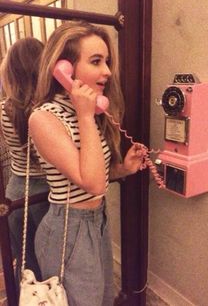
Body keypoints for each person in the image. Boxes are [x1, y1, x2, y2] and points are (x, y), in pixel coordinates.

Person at [29, 20, 144, 306]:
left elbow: (94, 174)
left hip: (97, 221)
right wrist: (84, 115)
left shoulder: (89, 112)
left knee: (104, 299)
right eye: (96, 61)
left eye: (107, 61)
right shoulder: (45, 118)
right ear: (64, 69)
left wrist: (122, 169)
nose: (107, 71)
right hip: (69, 228)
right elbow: (90, 181)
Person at [0, 38, 49, 296]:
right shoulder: (50, 111)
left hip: (16, 188)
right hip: (48, 191)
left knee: (25, 259)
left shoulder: (4, 110)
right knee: (50, 259)